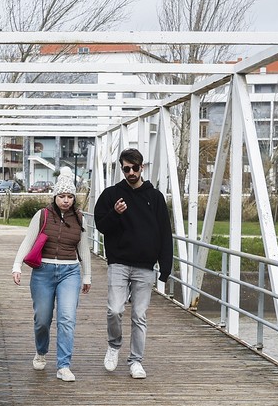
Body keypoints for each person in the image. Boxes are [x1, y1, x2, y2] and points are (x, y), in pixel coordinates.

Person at [92, 148, 173, 379]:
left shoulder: (155, 197)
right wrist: (115, 213)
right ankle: (114, 345)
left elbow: (165, 233)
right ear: (122, 169)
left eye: (134, 168)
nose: (131, 173)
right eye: (126, 169)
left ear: (142, 167)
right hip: (119, 262)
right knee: (115, 309)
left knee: (139, 316)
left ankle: (136, 361)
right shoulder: (111, 195)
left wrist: (165, 267)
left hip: (145, 266)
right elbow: (100, 226)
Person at [10, 168, 91, 382]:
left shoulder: (80, 219)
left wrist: (87, 276)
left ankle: (64, 366)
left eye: (70, 196)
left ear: (74, 198)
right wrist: (17, 265)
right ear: (55, 196)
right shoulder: (42, 215)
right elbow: (28, 241)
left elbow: (84, 249)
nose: (66, 200)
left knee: (67, 319)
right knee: (42, 319)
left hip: (69, 272)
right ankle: (41, 351)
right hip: (43, 272)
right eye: (62, 196)